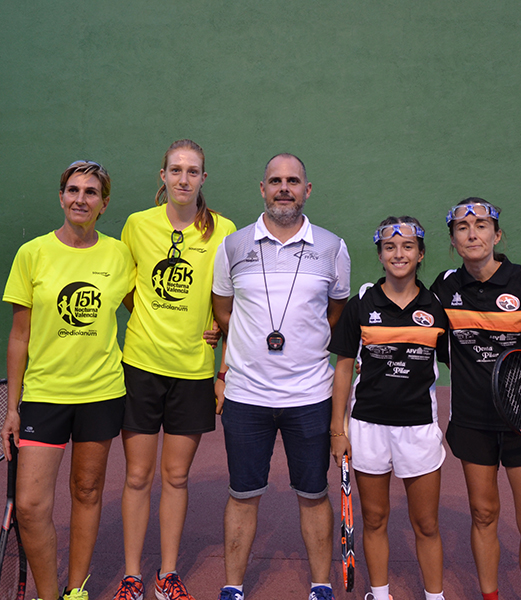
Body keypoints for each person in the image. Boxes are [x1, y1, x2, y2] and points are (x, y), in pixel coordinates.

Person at [211, 153, 351, 600]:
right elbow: (223, 309)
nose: (284, 188)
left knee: (313, 493)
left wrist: (304, 341)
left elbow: (336, 311)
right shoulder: (233, 246)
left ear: (307, 190)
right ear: (262, 188)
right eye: (275, 181)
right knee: (242, 493)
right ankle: (233, 587)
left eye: (293, 181)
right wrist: (245, 349)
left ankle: (321, 585)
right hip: (246, 396)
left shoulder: (332, 247)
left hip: (310, 396)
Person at [1, 160, 135, 600]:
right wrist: (11, 408)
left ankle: (75, 591)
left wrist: (210, 328)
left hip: (102, 393)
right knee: (30, 505)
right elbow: (19, 336)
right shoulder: (32, 254)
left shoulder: (119, 255)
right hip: (44, 396)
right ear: (61, 197)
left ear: (104, 203)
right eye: (73, 190)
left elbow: (147, 311)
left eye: (91, 192)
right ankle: (47, 595)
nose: (81, 199)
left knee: (87, 491)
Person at [113, 140, 236, 600]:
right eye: (176, 170)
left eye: (193, 171)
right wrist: (150, 318)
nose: (184, 178)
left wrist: (220, 364)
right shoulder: (137, 224)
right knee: (137, 477)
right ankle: (131, 576)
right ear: (162, 176)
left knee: (177, 477)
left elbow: (230, 302)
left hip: (193, 372)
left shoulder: (224, 230)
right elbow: (129, 289)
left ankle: (167, 575)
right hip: (141, 366)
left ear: (204, 178)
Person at [430, 198, 521, 600]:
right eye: (462, 228)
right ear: (453, 241)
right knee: (483, 514)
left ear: (497, 235)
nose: (472, 234)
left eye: (481, 226)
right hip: (472, 421)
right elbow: (425, 339)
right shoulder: (445, 287)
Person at [329, 217, 449, 600]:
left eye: (408, 246)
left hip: (419, 428)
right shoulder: (361, 304)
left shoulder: (437, 307)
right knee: (375, 518)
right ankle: (380, 595)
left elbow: (460, 363)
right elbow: (343, 367)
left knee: (426, 523)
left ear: (421, 254)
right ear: (380, 255)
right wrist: (337, 430)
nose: (399, 254)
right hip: (367, 427)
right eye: (390, 247)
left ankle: (435, 597)